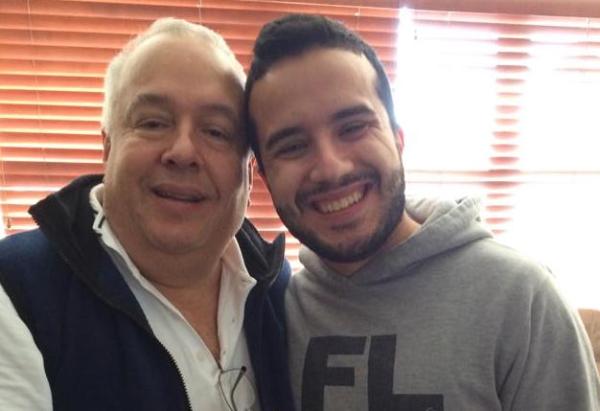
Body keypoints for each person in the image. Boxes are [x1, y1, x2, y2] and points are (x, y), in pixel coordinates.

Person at [245, 13, 600, 411]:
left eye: (353, 127)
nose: (331, 168)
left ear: (397, 137)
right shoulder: (273, 316)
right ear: (264, 175)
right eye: (292, 146)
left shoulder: (521, 299)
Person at [0, 17, 293, 411]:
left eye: (216, 131)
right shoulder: (17, 289)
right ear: (108, 147)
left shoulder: (281, 293)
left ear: (250, 173)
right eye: (153, 123)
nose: (183, 152)